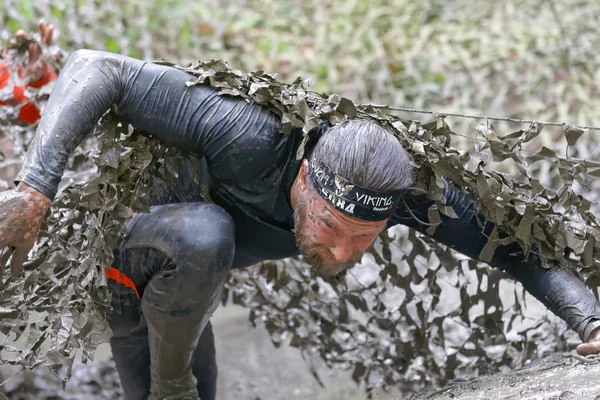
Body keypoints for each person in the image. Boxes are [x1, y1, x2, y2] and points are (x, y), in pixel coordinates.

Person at [1, 49, 600, 400]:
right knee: (206, 237)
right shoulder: (245, 132)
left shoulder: (406, 194)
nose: (340, 254)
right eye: (330, 225)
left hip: (181, 297)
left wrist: (589, 319)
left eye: (362, 240)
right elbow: (96, 68)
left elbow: (519, 248)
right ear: (306, 175)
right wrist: (35, 190)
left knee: (189, 306)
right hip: (120, 250)